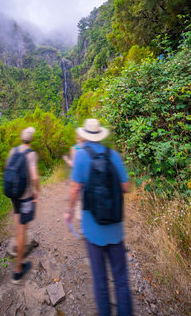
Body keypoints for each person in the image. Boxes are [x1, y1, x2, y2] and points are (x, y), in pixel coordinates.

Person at [64, 119, 132, 316]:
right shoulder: (114, 156)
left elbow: (75, 188)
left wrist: (69, 211)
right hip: (115, 227)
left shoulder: (81, 157)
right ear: (100, 135)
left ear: (85, 135)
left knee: (100, 281)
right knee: (121, 279)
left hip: (92, 228)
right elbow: (126, 187)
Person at [7, 126, 40, 284]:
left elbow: (7, 170)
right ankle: (18, 270)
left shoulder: (13, 151)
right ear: (31, 139)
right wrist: (37, 190)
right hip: (25, 197)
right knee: (22, 232)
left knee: (18, 227)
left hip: (14, 196)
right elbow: (34, 176)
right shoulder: (31, 154)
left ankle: (17, 255)